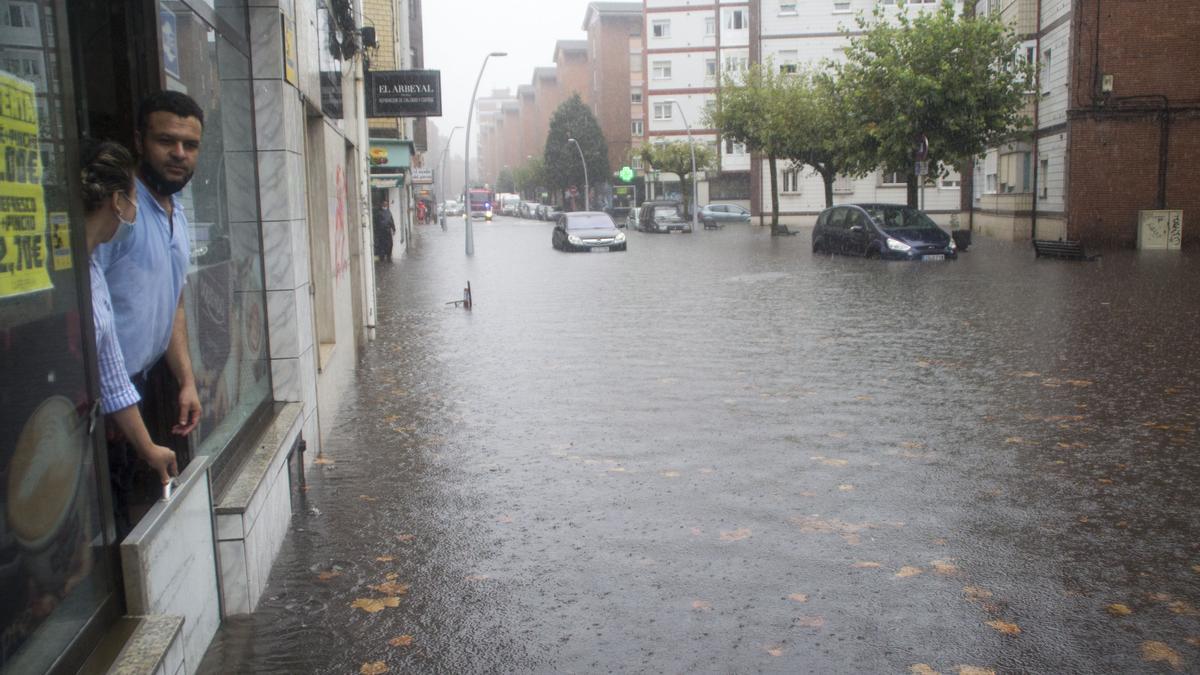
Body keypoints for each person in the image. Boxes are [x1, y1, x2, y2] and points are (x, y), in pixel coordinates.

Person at [93, 91, 204, 534]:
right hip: (102, 399)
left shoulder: (177, 211)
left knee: (148, 513)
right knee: (110, 523)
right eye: (166, 141)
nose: (179, 153)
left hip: (145, 386)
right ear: (140, 140)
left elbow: (173, 301)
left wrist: (187, 380)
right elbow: (88, 312)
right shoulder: (119, 209)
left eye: (190, 145)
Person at [80, 140, 178, 488]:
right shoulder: (64, 276)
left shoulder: (92, 269)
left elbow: (112, 372)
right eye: (134, 199)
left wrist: (147, 446)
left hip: (88, 432)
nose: (136, 210)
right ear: (118, 202)